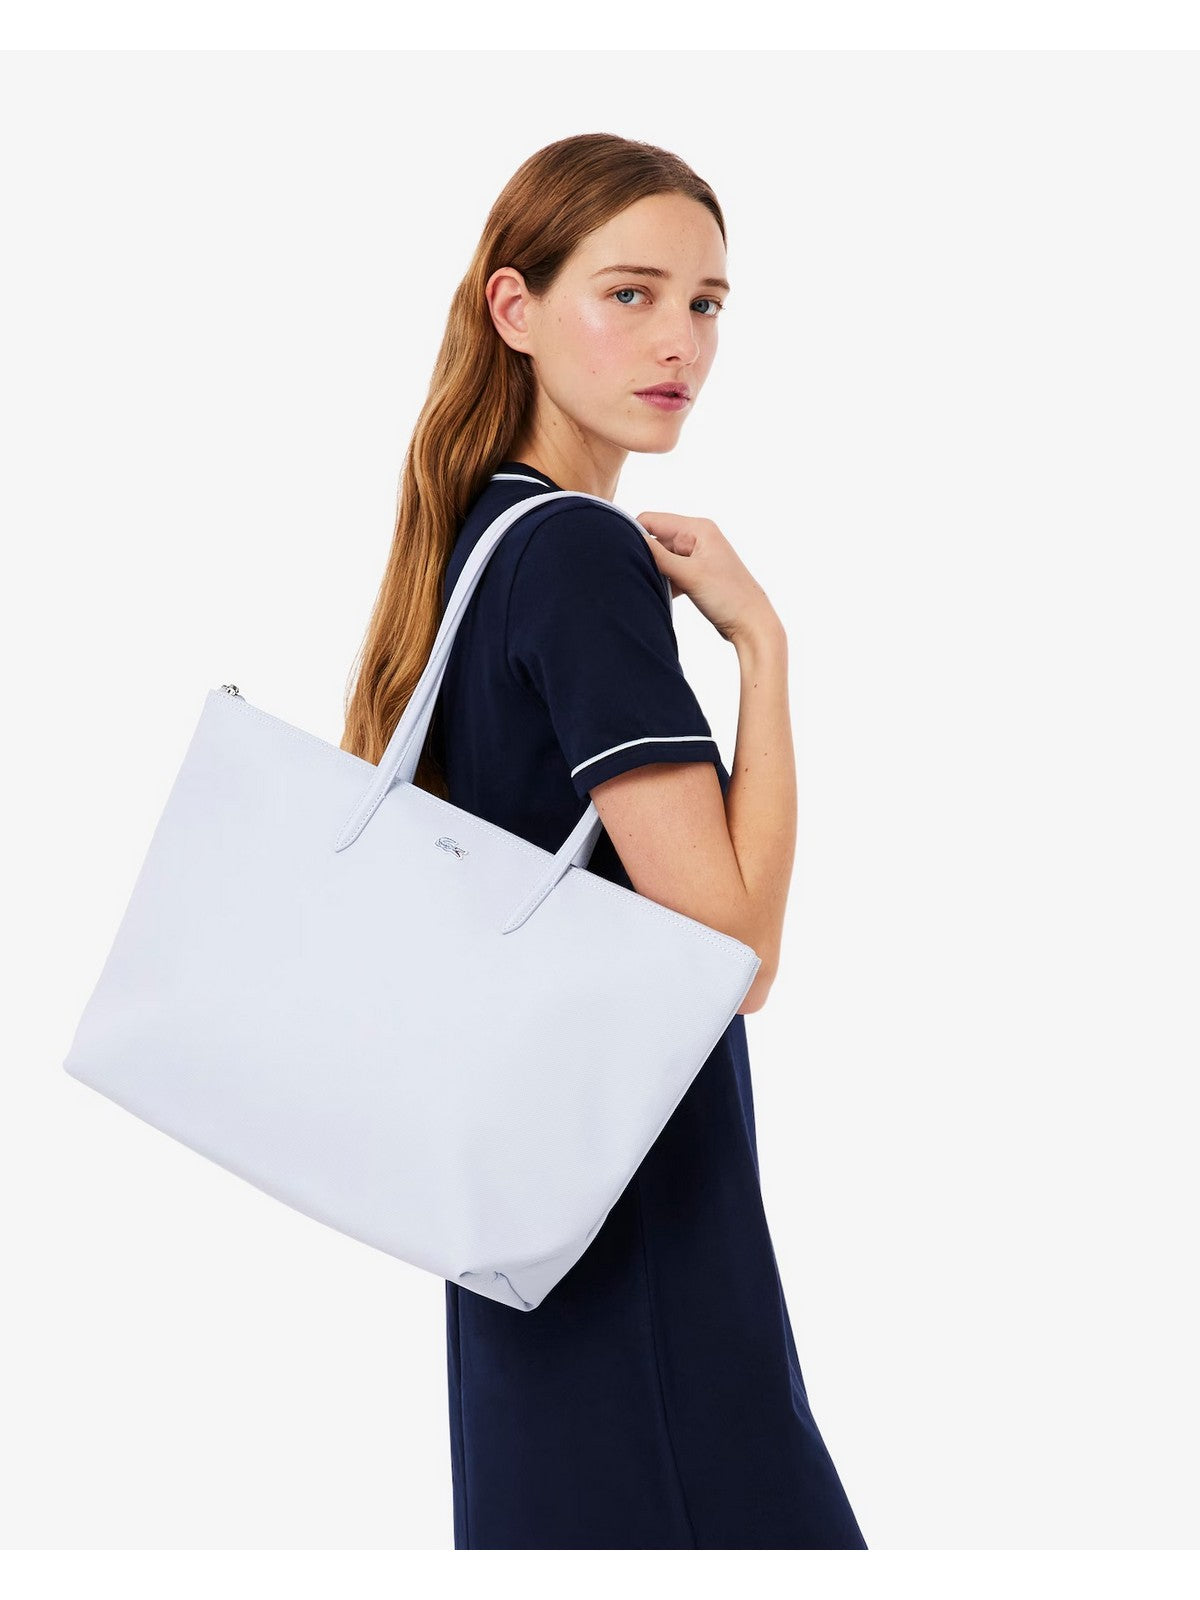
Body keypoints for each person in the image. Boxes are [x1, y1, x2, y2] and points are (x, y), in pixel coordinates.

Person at [341, 132, 868, 1551]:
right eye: (629, 294)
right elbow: (733, 952)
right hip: (638, 1228)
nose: (679, 341)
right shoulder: (574, 554)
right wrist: (764, 649)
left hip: (530, 1222)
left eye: (706, 303)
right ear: (514, 308)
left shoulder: (477, 540)